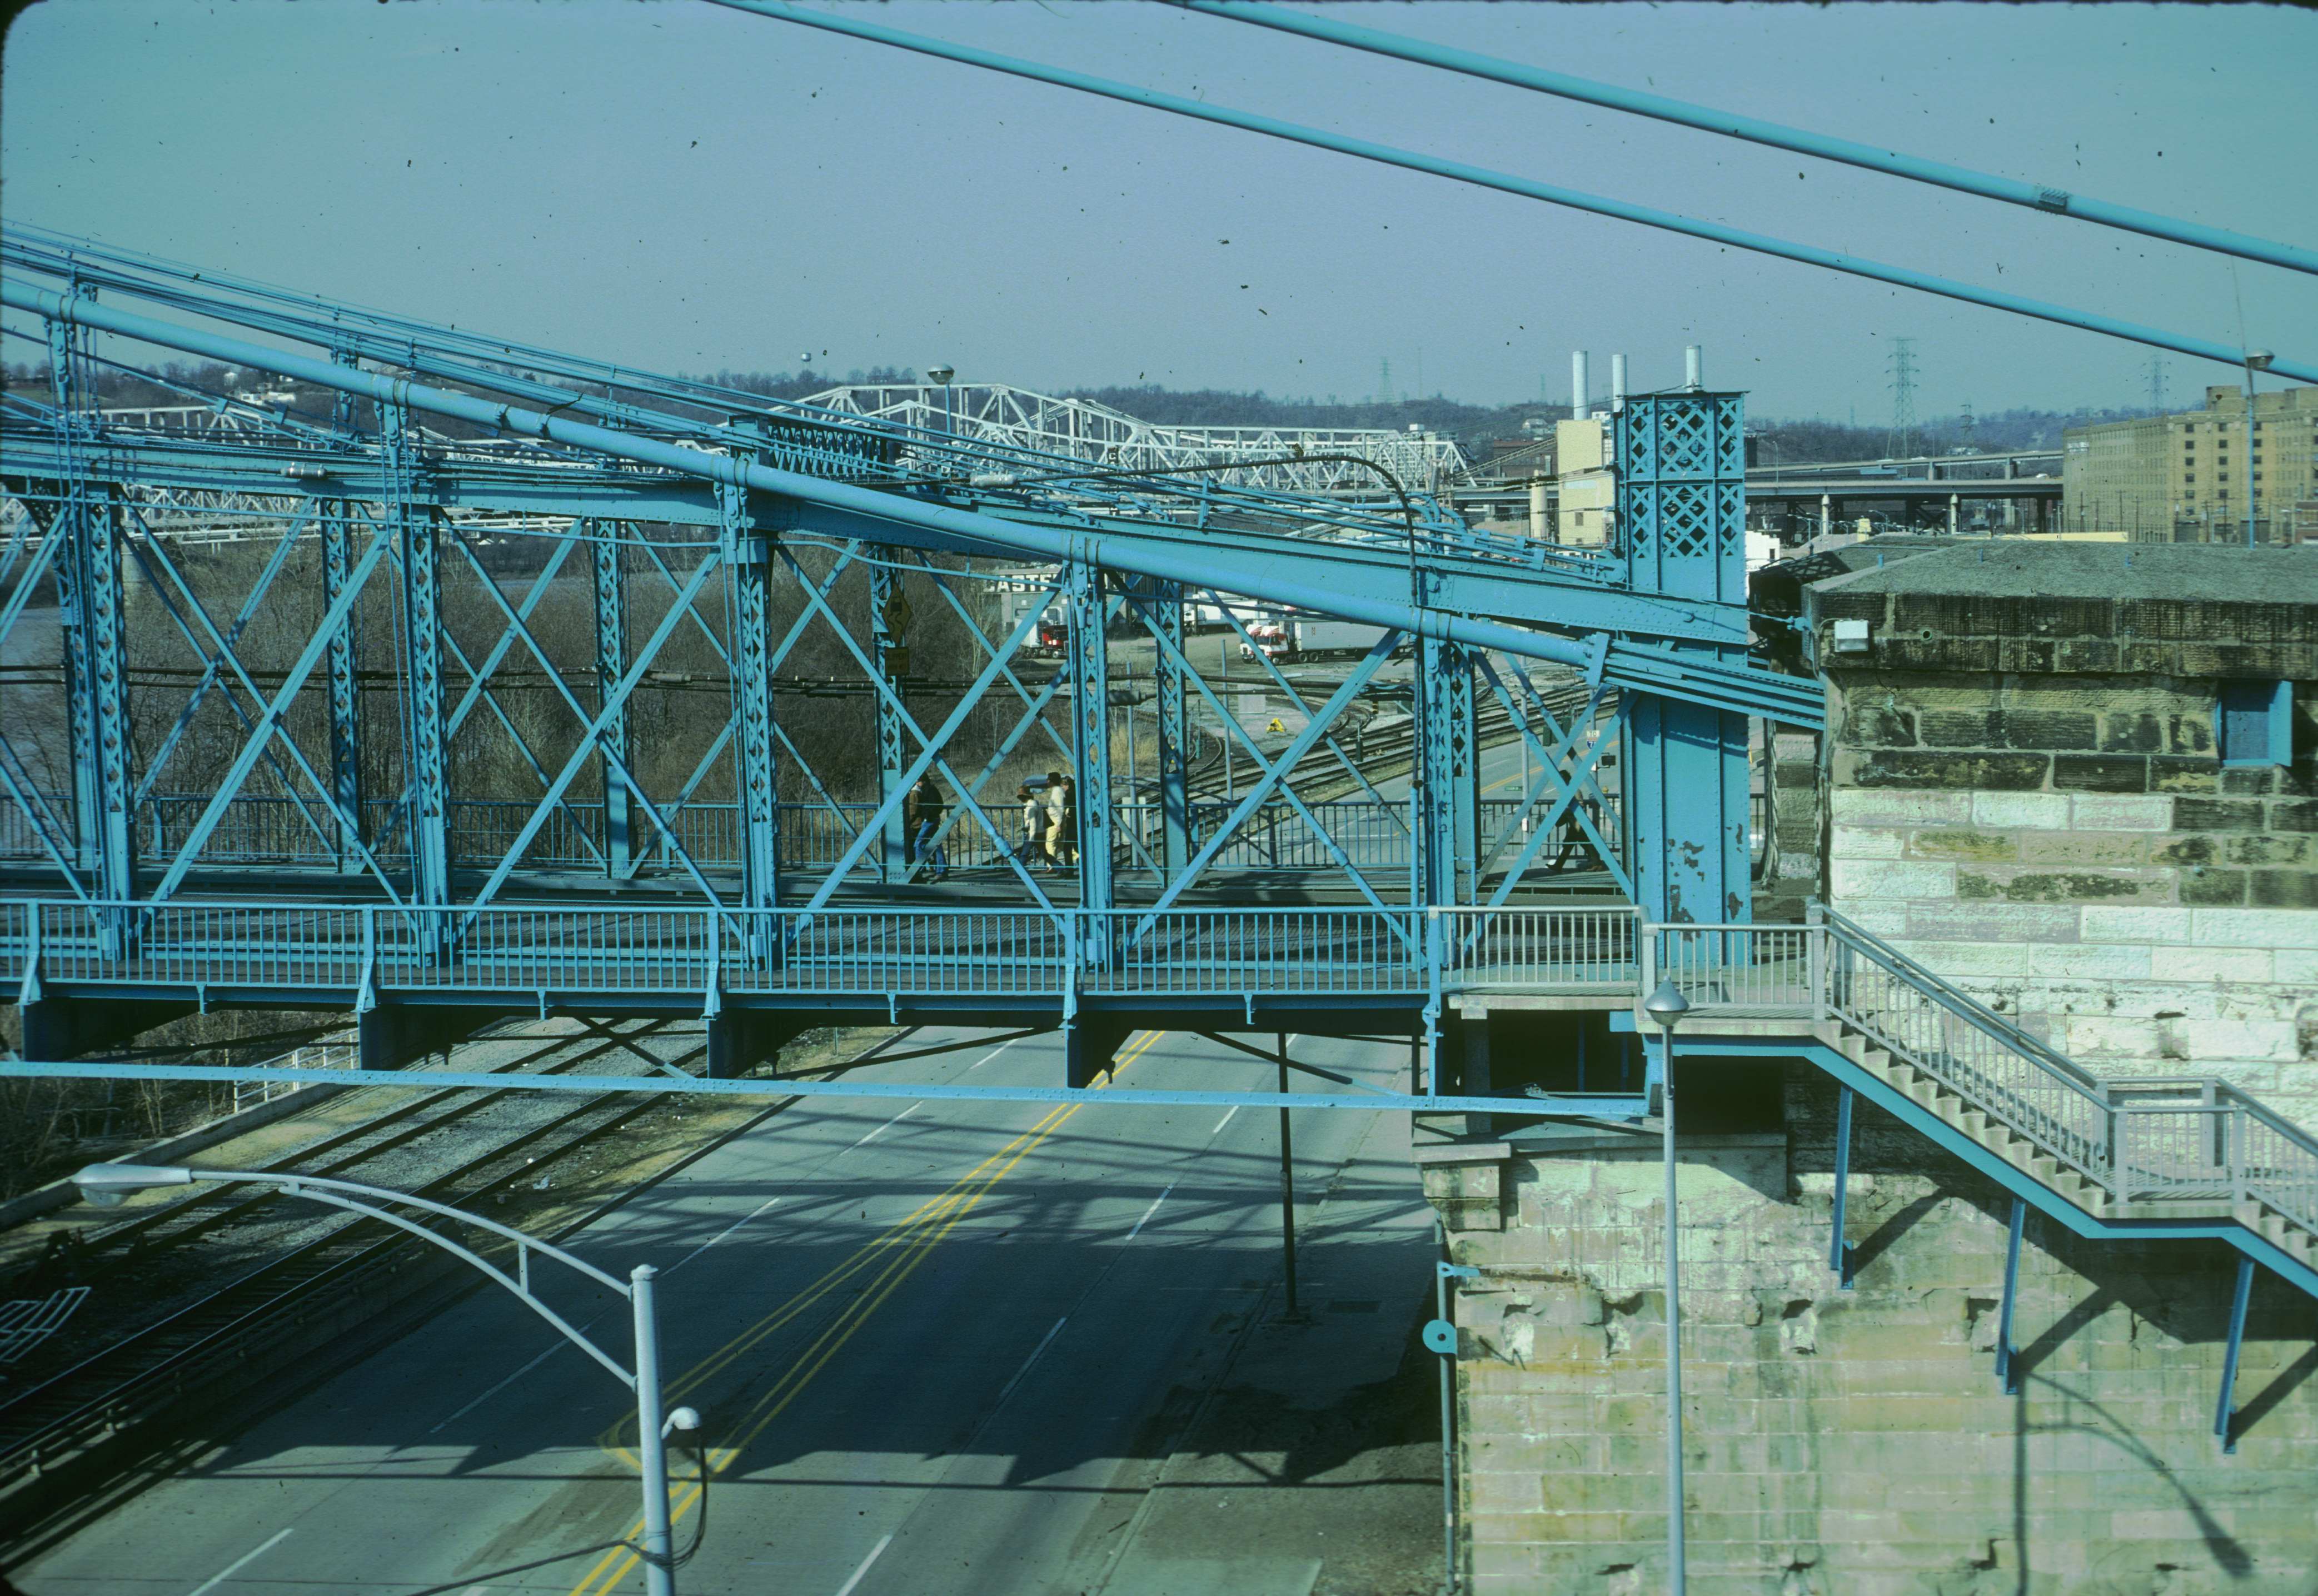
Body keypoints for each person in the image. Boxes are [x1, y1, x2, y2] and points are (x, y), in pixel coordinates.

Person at [910, 774, 949, 881]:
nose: (917, 783)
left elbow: (935, 806)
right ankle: (942, 871)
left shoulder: (929, 790)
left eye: (918, 781)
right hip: (932, 820)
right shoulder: (930, 789)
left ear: (924, 781)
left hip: (930, 821)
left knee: (918, 844)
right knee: (936, 845)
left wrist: (927, 818)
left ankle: (919, 871)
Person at [1016, 781, 1047, 869]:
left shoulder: (1031, 807)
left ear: (1024, 796)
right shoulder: (1034, 803)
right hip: (1040, 832)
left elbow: (1033, 822)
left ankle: (1018, 873)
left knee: (1024, 854)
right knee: (1044, 854)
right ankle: (1061, 869)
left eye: (1020, 796)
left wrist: (1031, 837)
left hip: (1034, 833)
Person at [1043, 771, 1070, 869]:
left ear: (1051, 781)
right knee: (1059, 844)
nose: (1047, 782)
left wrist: (1059, 824)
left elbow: (1060, 808)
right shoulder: (1058, 790)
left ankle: (1052, 867)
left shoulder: (1057, 791)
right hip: (1056, 821)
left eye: (1048, 780)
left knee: (1050, 844)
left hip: (1055, 821)